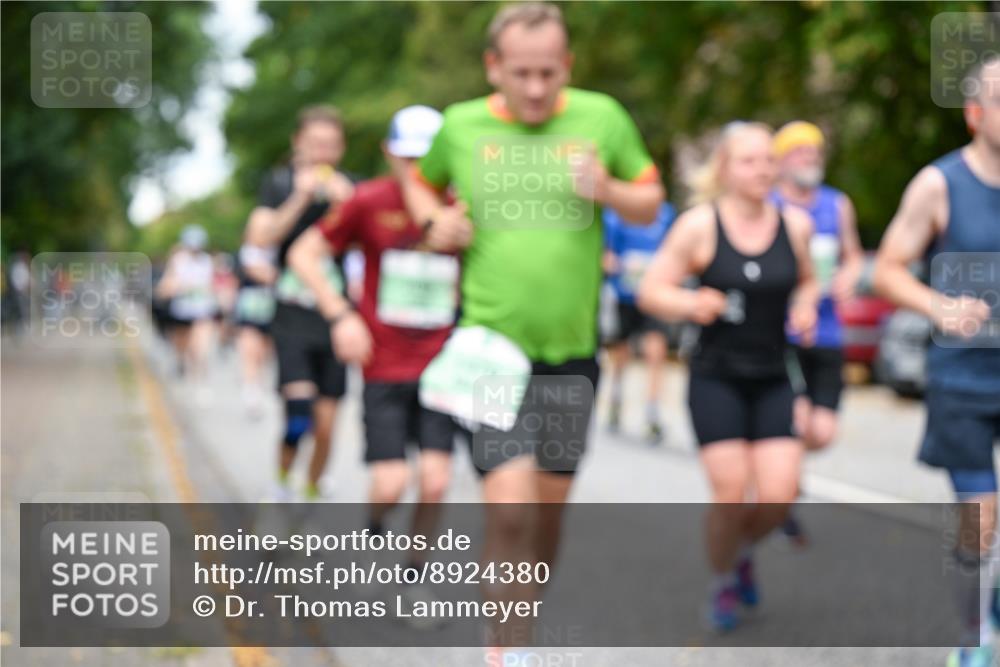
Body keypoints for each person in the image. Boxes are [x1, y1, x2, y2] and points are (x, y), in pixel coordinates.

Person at [401, 3, 664, 658]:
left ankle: (518, 620)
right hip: (491, 350)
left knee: (545, 517)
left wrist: (607, 189)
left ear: (567, 65)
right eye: (522, 73)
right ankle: (507, 648)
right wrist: (435, 224)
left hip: (572, 356)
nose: (538, 88)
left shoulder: (602, 117)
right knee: (510, 507)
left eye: (549, 72)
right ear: (494, 67)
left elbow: (651, 198)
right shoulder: (461, 126)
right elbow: (419, 185)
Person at [638, 121, 818, 632]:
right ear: (724, 168)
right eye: (749, 160)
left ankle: (739, 553)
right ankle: (723, 580)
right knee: (732, 494)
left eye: (768, 159)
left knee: (780, 493)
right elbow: (652, 290)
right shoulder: (699, 226)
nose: (762, 169)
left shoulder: (795, 226)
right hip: (716, 377)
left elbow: (808, 281)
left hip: (774, 375)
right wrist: (691, 302)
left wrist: (805, 307)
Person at [290, 105, 458, 625]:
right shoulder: (368, 201)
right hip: (383, 362)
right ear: (389, 153)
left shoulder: (461, 206)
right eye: (407, 157)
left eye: (428, 157)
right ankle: (375, 526)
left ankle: (415, 577)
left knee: (435, 481)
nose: (417, 168)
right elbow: (302, 254)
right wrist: (341, 314)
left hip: (444, 364)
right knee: (391, 482)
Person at [873, 57, 1000, 667]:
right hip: (964, 379)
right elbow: (886, 269)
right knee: (980, 518)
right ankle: (973, 632)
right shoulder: (939, 184)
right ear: (974, 113)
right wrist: (940, 306)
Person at [246, 104, 355, 502]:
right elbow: (261, 237)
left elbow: (369, 239)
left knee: (325, 425)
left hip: (335, 316)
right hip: (291, 314)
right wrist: (300, 198)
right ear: (298, 144)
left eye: (330, 145)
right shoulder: (279, 184)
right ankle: (280, 484)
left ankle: (311, 491)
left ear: (341, 148)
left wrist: (347, 204)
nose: (322, 152)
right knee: (298, 413)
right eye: (314, 144)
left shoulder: (351, 188)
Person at [770, 121, 864, 544]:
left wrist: (850, 276)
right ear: (781, 161)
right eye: (800, 152)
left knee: (822, 432)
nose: (809, 158)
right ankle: (781, 490)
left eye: (815, 152)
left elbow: (854, 256)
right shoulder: (770, 203)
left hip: (828, 331)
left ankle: (777, 471)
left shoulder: (836, 204)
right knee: (796, 418)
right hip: (783, 333)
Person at [601, 201, 677, 444]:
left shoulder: (665, 214)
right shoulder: (614, 215)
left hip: (654, 295)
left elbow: (674, 250)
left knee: (656, 347)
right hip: (624, 294)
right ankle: (616, 397)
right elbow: (606, 253)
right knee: (621, 350)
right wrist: (616, 264)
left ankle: (652, 411)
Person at [156, 225, 217, 401]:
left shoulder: (207, 261)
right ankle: (181, 363)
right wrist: (176, 286)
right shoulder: (178, 260)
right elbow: (166, 286)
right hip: (182, 311)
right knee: (182, 345)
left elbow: (212, 285)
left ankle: (201, 383)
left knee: (201, 348)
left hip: (203, 310)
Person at [233, 236, 277, 419]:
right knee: (250, 352)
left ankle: (257, 385)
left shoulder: (277, 249)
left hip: (272, 308)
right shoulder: (248, 251)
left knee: (264, 355)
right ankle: (251, 392)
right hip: (250, 308)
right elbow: (262, 274)